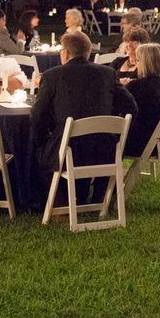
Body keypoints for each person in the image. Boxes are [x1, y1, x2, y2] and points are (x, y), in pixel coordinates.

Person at [30, 31, 137, 203]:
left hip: (68, 151)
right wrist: (113, 128)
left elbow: (37, 115)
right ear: (88, 52)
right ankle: (97, 197)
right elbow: (131, 107)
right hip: (105, 149)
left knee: (37, 148)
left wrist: (45, 139)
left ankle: (54, 200)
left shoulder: (52, 75)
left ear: (64, 53)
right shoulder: (107, 73)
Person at [124, 43, 160, 156]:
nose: (134, 64)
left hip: (136, 142)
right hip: (155, 142)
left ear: (145, 63)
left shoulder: (137, 86)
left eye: (137, 61)